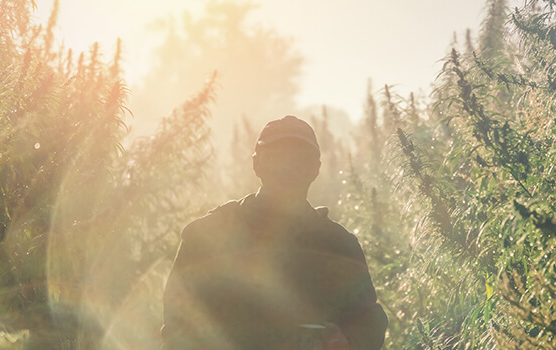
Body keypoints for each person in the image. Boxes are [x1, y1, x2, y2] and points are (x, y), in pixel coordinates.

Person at [161, 116, 388, 349]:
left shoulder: (338, 244)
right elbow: (178, 321)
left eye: (299, 159)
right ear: (256, 164)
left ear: (315, 168)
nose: (286, 168)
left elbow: (367, 317)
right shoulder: (209, 235)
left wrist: (348, 342)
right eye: (276, 157)